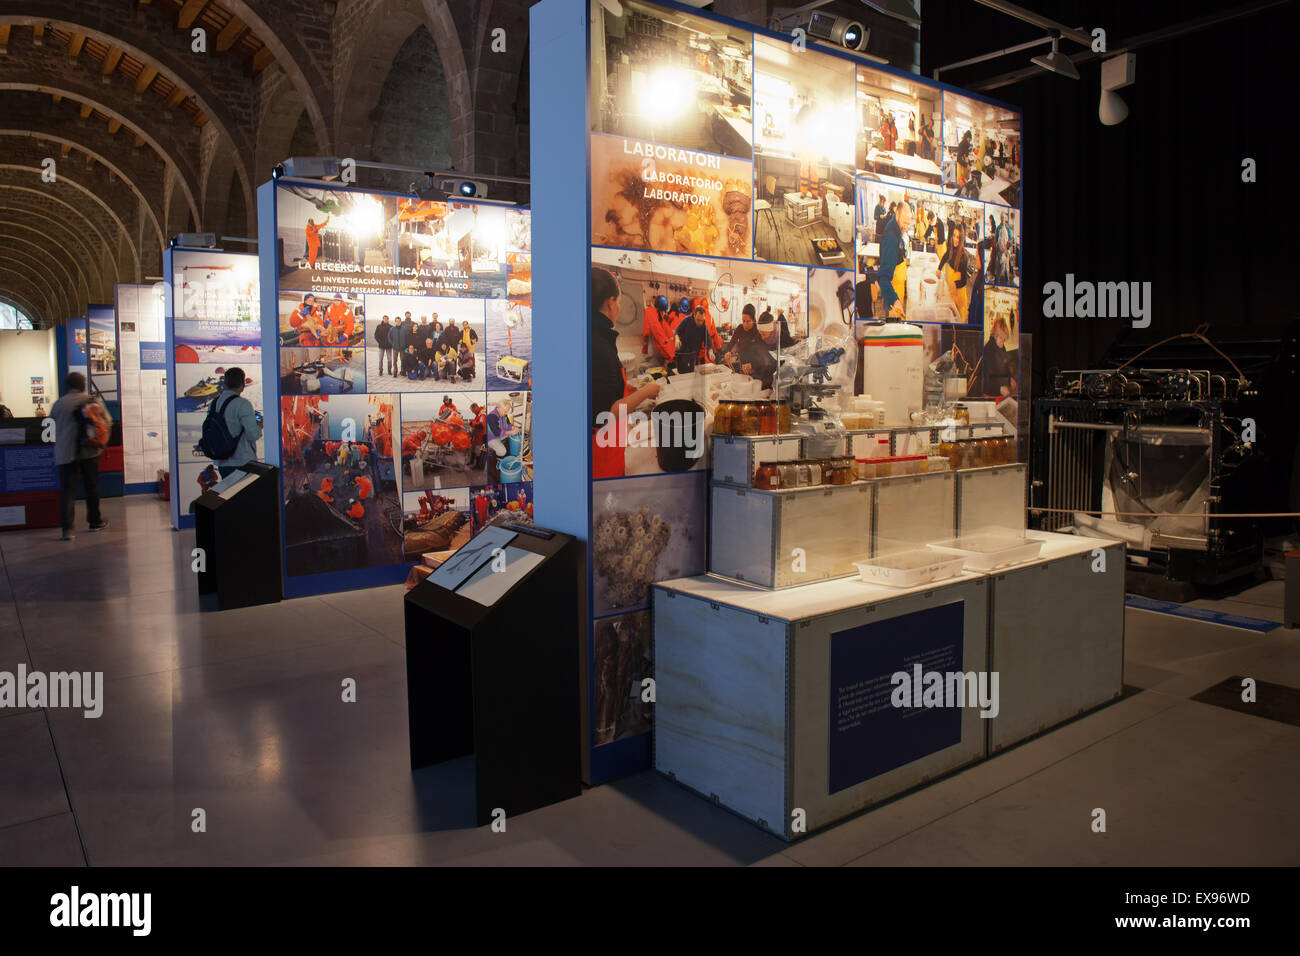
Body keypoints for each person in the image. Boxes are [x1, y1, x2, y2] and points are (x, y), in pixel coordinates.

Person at [592, 267, 660, 479]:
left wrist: (629, 389)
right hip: (602, 452)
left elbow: (603, 389)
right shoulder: (599, 347)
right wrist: (646, 392)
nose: (619, 309)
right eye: (619, 303)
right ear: (610, 302)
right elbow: (608, 412)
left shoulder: (594, 334)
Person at [212, 367, 262, 479]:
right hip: (242, 461)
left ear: (225, 383)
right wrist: (259, 426)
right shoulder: (242, 404)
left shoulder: (215, 403)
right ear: (243, 385)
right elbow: (252, 434)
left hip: (222, 461)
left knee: (229, 495)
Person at [722, 304, 777, 388]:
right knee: (744, 388)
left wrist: (753, 365)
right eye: (743, 321)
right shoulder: (740, 328)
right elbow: (732, 342)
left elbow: (763, 355)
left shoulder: (758, 331)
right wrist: (728, 351)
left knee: (754, 387)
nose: (745, 324)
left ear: (753, 320)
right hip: (743, 364)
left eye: (748, 321)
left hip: (756, 367)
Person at [877, 200, 912, 319]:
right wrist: (894, 300)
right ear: (897, 214)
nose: (906, 227)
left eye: (908, 223)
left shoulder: (895, 227)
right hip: (894, 296)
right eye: (904, 222)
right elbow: (883, 277)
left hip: (898, 289)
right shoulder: (891, 239)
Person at [938, 222, 974, 322]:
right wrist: (939, 268)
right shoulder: (951, 249)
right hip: (952, 292)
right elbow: (945, 256)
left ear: (961, 239)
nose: (955, 239)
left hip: (959, 295)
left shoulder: (963, 257)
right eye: (954, 235)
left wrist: (955, 284)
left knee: (958, 320)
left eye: (958, 237)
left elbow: (964, 281)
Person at [978, 316, 1016, 397]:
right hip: (989, 394)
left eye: (1004, 340)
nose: (1002, 343)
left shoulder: (1001, 348)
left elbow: (1004, 367)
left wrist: (1010, 379)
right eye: (1001, 339)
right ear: (995, 335)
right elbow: (986, 379)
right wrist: (999, 388)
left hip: (999, 394)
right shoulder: (988, 350)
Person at [485, 399, 518, 484]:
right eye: (505, 411)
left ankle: (504, 457)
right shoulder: (491, 416)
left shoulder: (503, 414)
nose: (506, 413)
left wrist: (513, 427)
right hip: (491, 437)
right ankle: (495, 457)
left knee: (511, 436)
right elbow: (497, 432)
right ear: (499, 408)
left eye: (507, 411)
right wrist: (510, 432)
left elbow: (508, 423)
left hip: (500, 434)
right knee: (502, 451)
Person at [674, 306, 715, 373]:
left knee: (693, 375)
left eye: (702, 320)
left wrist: (710, 352)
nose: (700, 323)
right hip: (683, 354)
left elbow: (708, 341)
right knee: (683, 375)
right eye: (698, 320)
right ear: (694, 315)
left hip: (694, 356)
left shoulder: (703, 327)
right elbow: (677, 331)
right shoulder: (686, 320)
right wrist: (677, 339)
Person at [642, 295, 677, 368]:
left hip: (665, 352)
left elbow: (667, 335)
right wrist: (644, 349)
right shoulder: (651, 314)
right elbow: (658, 335)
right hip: (660, 351)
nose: (664, 313)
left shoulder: (659, 316)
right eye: (663, 311)